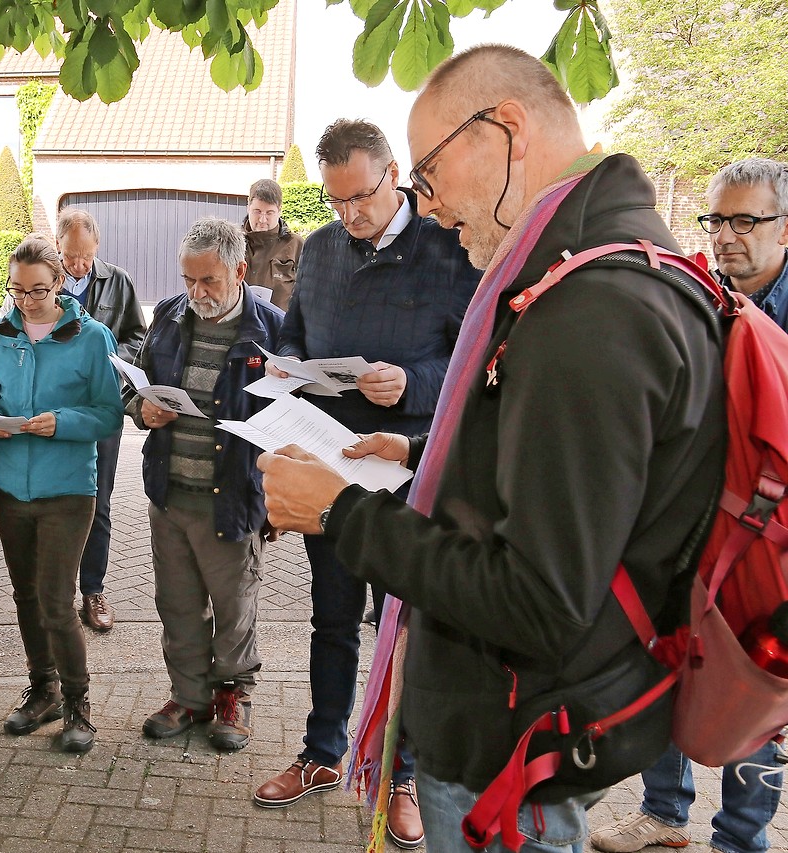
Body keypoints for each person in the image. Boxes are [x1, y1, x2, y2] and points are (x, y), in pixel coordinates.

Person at [257, 44, 725, 852]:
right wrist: (413, 460)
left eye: (430, 174)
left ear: (504, 128)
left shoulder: (592, 308)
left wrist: (341, 510)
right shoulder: (593, 270)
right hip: (520, 736)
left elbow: (535, 598)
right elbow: (537, 482)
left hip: (512, 758)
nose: (430, 206)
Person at [254, 119, 480, 848]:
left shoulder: (450, 248)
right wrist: (287, 363)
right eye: (334, 201)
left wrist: (410, 380)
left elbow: (476, 361)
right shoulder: (318, 249)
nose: (348, 215)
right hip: (329, 463)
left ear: (394, 177)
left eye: (359, 197)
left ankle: (400, 772)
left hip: (409, 467)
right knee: (330, 617)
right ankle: (323, 754)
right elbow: (297, 330)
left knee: (403, 626)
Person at [589, 157, 788, 853]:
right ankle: (665, 813)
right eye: (716, 219)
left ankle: (740, 838)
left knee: (753, 692)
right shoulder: (698, 299)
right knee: (668, 662)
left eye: (746, 219)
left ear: (784, 227)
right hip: (689, 531)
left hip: (766, 544)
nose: (727, 235)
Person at [0, 234, 123, 753]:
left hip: (67, 488)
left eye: (37, 291)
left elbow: (108, 412)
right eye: (16, 290)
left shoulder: (91, 335)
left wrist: (60, 422)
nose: (26, 301)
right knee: (26, 596)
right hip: (9, 486)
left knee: (56, 599)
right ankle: (43, 691)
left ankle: (79, 705)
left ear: (60, 283)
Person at [133, 216, 283, 752]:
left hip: (233, 496)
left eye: (209, 281)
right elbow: (140, 385)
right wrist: (141, 409)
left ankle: (233, 696)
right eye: (188, 280)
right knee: (176, 603)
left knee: (234, 604)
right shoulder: (170, 318)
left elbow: (290, 420)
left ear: (239, 270)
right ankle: (189, 696)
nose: (196, 293)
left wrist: (276, 498)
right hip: (170, 492)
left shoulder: (272, 329)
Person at [52, 208, 145, 632]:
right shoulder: (43, 281)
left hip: (103, 406)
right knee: (57, 501)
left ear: (97, 248)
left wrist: (108, 360)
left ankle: (93, 590)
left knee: (99, 502)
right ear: (58, 248)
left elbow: (138, 337)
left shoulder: (119, 281)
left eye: (86, 256)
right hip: (54, 411)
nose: (78, 266)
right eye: (71, 257)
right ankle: (57, 594)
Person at [242, 178, 304, 310]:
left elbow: (308, 294)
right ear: (248, 208)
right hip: (239, 327)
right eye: (257, 211)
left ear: (279, 210)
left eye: (269, 213)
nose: (262, 219)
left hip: (280, 327)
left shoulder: (296, 245)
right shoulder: (234, 243)